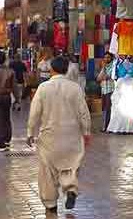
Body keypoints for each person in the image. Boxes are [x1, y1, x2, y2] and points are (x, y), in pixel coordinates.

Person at [27, 56, 92, 214]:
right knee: (70, 166)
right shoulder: (75, 88)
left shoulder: (43, 88)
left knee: (47, 171)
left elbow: (35, 112)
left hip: (49, 136)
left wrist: (30, 132)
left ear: (51, 69)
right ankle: (70, 189)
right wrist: (87, 132)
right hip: (71, 135)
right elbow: (84, 113)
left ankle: (50, 204)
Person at [96, 54, 116, 132]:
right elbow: (98, 79)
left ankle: (108, 127)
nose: (106, 59)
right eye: (105, 57)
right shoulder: (104, 67)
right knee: (104, 109)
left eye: (108, 57)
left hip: (110, 90)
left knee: (109, 109)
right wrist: (103, 69)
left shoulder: (112, 67)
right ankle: (105, 126)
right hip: (104, 90)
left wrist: (103, 68)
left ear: (111, 58)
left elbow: (107, 77)